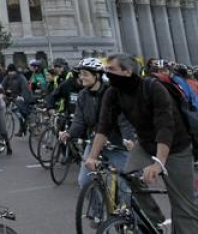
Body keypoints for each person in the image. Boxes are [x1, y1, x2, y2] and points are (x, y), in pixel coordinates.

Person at [85, 53, 198, 233]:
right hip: (146, 144)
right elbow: (104, 126)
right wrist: (91, 156)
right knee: (127, 175)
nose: (107, 73)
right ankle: (154, 221)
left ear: (128, 71)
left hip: (176, 147)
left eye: (111, 69)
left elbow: (165, 127)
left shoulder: (153, 88)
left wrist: (158, 163)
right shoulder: (113, 93)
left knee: (183, 207)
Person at [60, 58, 132, 191]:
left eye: (85, 74)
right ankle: (98, 211)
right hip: (94, 142)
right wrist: (69, 132)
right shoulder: (82, 95)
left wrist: (128, 138)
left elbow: (123, 120)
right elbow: (79, 120)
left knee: (125, 184)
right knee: (84, 182)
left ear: (97, 75)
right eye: (80, 74)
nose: (81, 77)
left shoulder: (112, 93)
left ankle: (127, 211)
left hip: (116, 143)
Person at [0, 64, 33, 134]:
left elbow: (25, 88)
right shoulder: (7, 78)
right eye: (9, 71)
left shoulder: (20, 77)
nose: (11, 73)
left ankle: (27, 124)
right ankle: (22, 128)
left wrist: (22, 97)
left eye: (12, 71)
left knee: (21, 111)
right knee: (16, 112)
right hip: (12, 97)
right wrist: (3, 93)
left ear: (15, 71)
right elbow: (2, 87)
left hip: (21, 97)